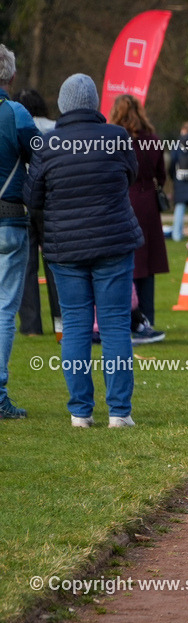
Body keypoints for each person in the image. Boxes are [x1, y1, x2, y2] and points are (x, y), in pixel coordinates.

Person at [25, 73, 143, 427]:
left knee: (75, 325)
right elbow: (131, 176)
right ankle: (120, 413)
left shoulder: (47, 144)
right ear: (94, 104)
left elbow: (33, 197)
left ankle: (80, 412)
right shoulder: (117, 138)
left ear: (62, 105)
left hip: (65, 247)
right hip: (113, 242)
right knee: (115, 325)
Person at [0, 45, 39, 419]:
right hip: (10, 218)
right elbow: (39, 159)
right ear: (10, 78)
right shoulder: (16, 113)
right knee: (4, 310)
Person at [109, 95, 167, 342]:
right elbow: (161, 175)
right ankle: (148, 318)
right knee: (148, 265)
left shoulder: (113, 140)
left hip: (124, 201)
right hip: (148, 204)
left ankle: (130, 317)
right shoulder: (152, 140)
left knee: (127, 262)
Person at [14, 88, 60, 338]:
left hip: (23, 198)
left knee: (27, 266)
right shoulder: (55, 128)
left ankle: (31, 326)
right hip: (51, 200)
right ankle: (60, 321)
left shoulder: (17, 125)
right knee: (54, 262)